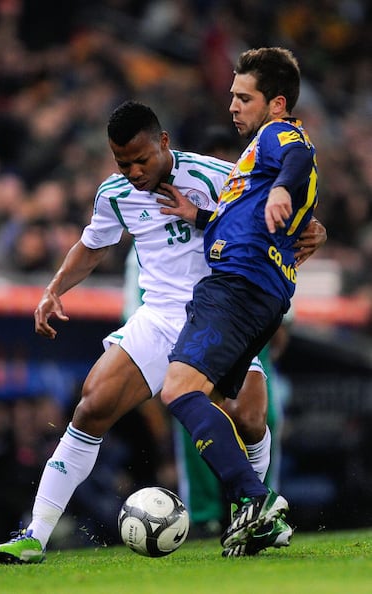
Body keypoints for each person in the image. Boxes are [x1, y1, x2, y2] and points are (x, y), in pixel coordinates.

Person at [0, 94, 322, 563]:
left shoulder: (216, 176)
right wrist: (54, 289)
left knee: (249, 419)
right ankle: (35, 534)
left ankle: (250, 519)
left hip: (220, 313)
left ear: (164, 141)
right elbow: (92, 245)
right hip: (159, 316)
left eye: (142, 159)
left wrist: (315, 228)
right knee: (91, 405)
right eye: (123, 163)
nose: (134, 172)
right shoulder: (114, 194)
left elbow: (278, 210)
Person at [159, 46, 319, 557]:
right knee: (229, 407)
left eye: (242, 97)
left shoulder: (279, 136)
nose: (232, 105)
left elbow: (300, 157)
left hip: (236, 287)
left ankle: (254, 501)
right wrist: (200, 216)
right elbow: (249, 219)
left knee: (178, 391)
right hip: (261, 293)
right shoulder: (255, 159)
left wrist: (283, 192)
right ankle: (254, 515)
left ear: (275, 103)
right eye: (230, 96)